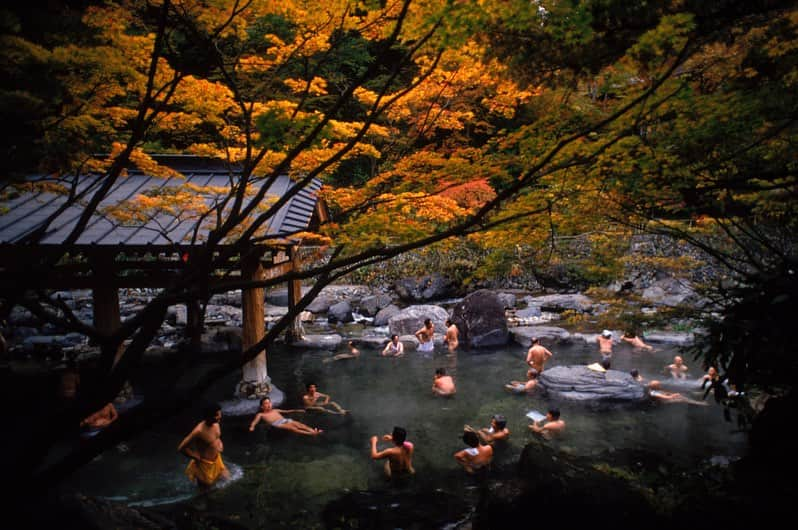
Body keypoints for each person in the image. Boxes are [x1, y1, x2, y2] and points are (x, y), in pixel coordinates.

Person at [178, 403, 230, 491]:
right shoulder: (198, 431)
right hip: (204, 465)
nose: (220, 416)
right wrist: (195, 457)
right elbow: (181, 448)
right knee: (205, 492)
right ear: (209, 416)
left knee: (228, 480)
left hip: (217, 460)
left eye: (220, 413)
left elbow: (216, 437)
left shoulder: (216, 423)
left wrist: (220, 443)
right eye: (217, 415)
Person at [249, 397, 323, 435]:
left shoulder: (275, 410)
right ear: (262, 407)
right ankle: (311, 433)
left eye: (269, 403)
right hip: (277, 423)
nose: (268, 405)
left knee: (300, 425)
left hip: (285, 420)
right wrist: (252, 426)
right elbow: (255, 421)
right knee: (293, 428)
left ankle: (313, 431)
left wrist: (297, 410)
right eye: (266, 403)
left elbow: (287, 411)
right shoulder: (261, 414)